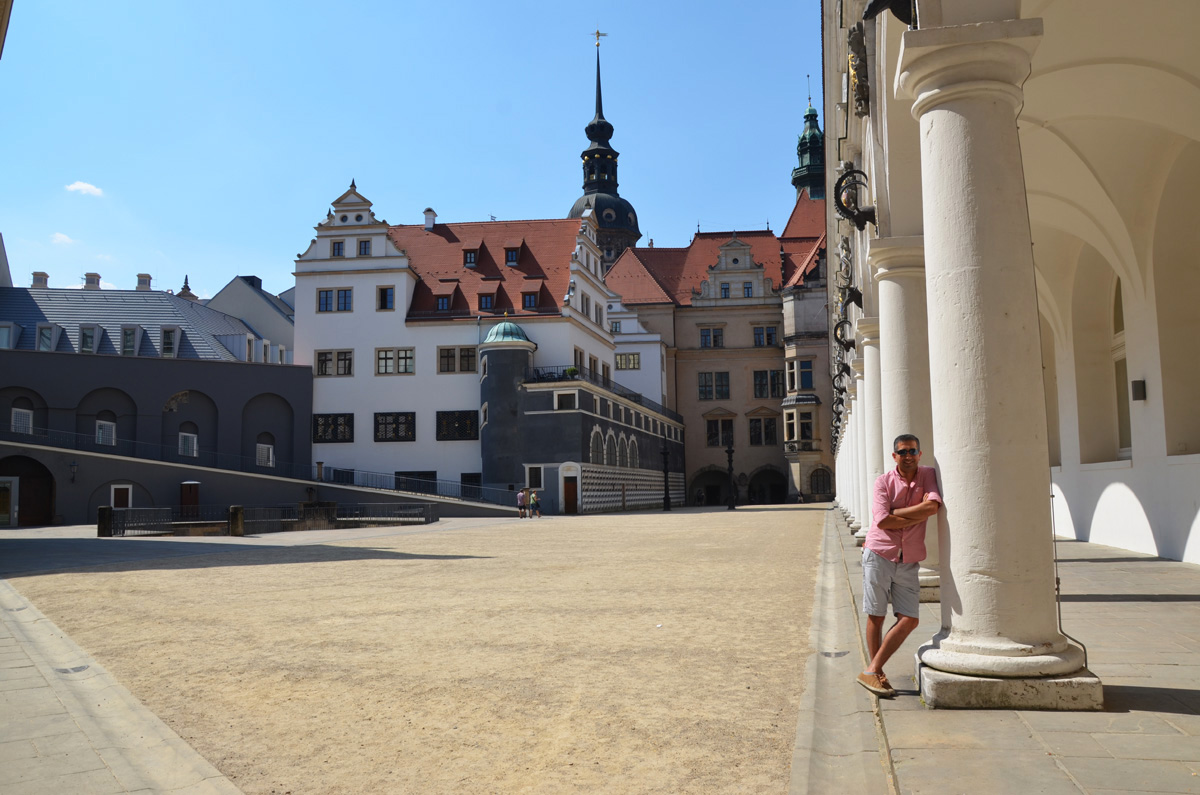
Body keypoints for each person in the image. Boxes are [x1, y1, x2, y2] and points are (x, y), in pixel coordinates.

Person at [857, 433, 943, 698]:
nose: (908, 456)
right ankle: (877, 673)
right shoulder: (882, 482)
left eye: (912, 451)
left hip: (909, 558)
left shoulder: (927, 474)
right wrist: (916, 513)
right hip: (879, 553)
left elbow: (933, 507)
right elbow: (882, 522)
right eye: (903, 452)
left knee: (910, 619)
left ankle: (871, 669)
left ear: (920, 454)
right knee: (876, 615)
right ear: (894, 456)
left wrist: (897, 514)